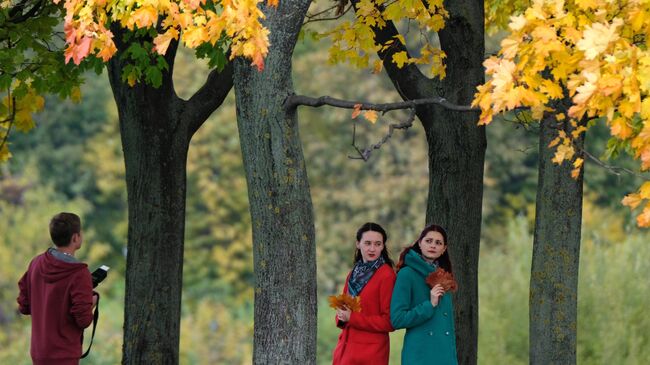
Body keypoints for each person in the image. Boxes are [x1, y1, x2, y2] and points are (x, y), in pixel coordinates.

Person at [17, 212, 97, 365]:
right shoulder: (79, 273)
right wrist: (92, 301)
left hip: (39, 353)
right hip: (64, 356)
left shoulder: (36, 263)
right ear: (75, 238)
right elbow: (83, 320)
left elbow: (24, 306)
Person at [390, 224, 458, 365]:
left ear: (444, 249)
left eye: (438, 243)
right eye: (428, 241)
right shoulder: (406, 274)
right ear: (420, 243)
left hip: (444, 356)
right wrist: (429, 304)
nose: (433, 245)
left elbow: (446, 328)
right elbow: (397, 319)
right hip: (420, 355)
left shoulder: (444, 277)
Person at [332, 222, 397, 365]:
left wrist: (352, 317)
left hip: (370, 355)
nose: (372, 248)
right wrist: (342, 316)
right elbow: (344, 310)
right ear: (358, 244)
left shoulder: (386, 275)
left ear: (382, 246)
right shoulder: (353, 273)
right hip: (345, 352)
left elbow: (389, 322)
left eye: (377, 244)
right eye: (367, 243)